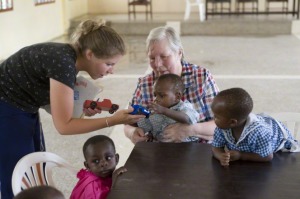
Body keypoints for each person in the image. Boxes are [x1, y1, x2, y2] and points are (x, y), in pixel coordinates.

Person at [0, 19, 144, 199]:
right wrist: (114, 120)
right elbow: (64, 126)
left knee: (34, 167)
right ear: (90, 54)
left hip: (22, 105)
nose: (111, 71)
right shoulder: (63, 64)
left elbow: (43, 90)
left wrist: (79, 107)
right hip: (7, 106)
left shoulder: (67, 57)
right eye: (109, 64)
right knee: (16, 172)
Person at [124, 26, 219, 144]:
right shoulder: (145, 84)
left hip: (199, 151)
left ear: (179, 53)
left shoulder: (201, 77)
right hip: (159, 152)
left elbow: (221, 125)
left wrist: (191, 130)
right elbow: (128, 123)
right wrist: (132, 133)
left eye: (164, 57)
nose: (157, 64)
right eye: (152, 58)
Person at [211, 87, 299, 167]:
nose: (213, 118)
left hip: (282, 153)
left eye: (216, 117)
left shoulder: (258, 132)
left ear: (232, 122)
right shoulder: (222, 127)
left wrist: (241, 155)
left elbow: (267, 156)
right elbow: (216, 147)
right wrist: (220, 156)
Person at [136, 73, 199, 142]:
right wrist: (138, 116)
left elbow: (187, 119)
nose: (156, 99)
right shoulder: (155, 113)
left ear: (177, 97)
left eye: (162, 95)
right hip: (162, 149)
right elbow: (144, 125)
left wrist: (164, 111)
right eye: (155, 95)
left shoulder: (184, 107)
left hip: (186, 148)